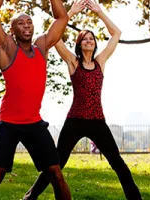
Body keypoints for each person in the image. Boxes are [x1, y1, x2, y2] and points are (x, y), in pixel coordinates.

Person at [23, 0, 142, 199]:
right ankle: (29, 198)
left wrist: (99, 12)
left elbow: (117, 34)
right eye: (85, 39)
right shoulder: (73, 62)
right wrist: (70, 13)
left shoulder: (100, 62)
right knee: (56, 164)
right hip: (75, 121)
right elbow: (54, 37)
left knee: (117, 163)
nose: (89, 41)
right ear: (79, 43)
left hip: (97, 121)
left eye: (92, 39)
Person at [0, 0, 72, 199]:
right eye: (20, 23)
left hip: (34, 123)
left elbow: (62, 18)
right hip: (9, 124)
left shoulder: (42, 47)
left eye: (29, 22)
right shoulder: (7, 47)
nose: (26, 25)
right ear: (12, 31)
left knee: (56, 173)